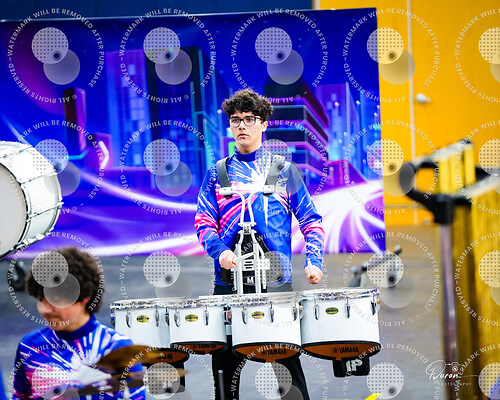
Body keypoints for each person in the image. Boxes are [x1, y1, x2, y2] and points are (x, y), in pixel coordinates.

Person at [195, 89, 325, 399]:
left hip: (275, 287)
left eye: (249, 119)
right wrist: (221, 252)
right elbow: (203, 222)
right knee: (225, 383)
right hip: (228, 285)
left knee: (290, 381)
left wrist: (314, 262)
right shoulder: (217, 173)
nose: (242, 125)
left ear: (263, 124)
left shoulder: (284, 172)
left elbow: (311, 220)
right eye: (235, 119)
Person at [11, 247, 145, 399]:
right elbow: (21, 396)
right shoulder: (29, 345)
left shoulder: (119, 349)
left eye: (55, 300)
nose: (45, 309)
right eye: (41, 300)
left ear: (85, 297)